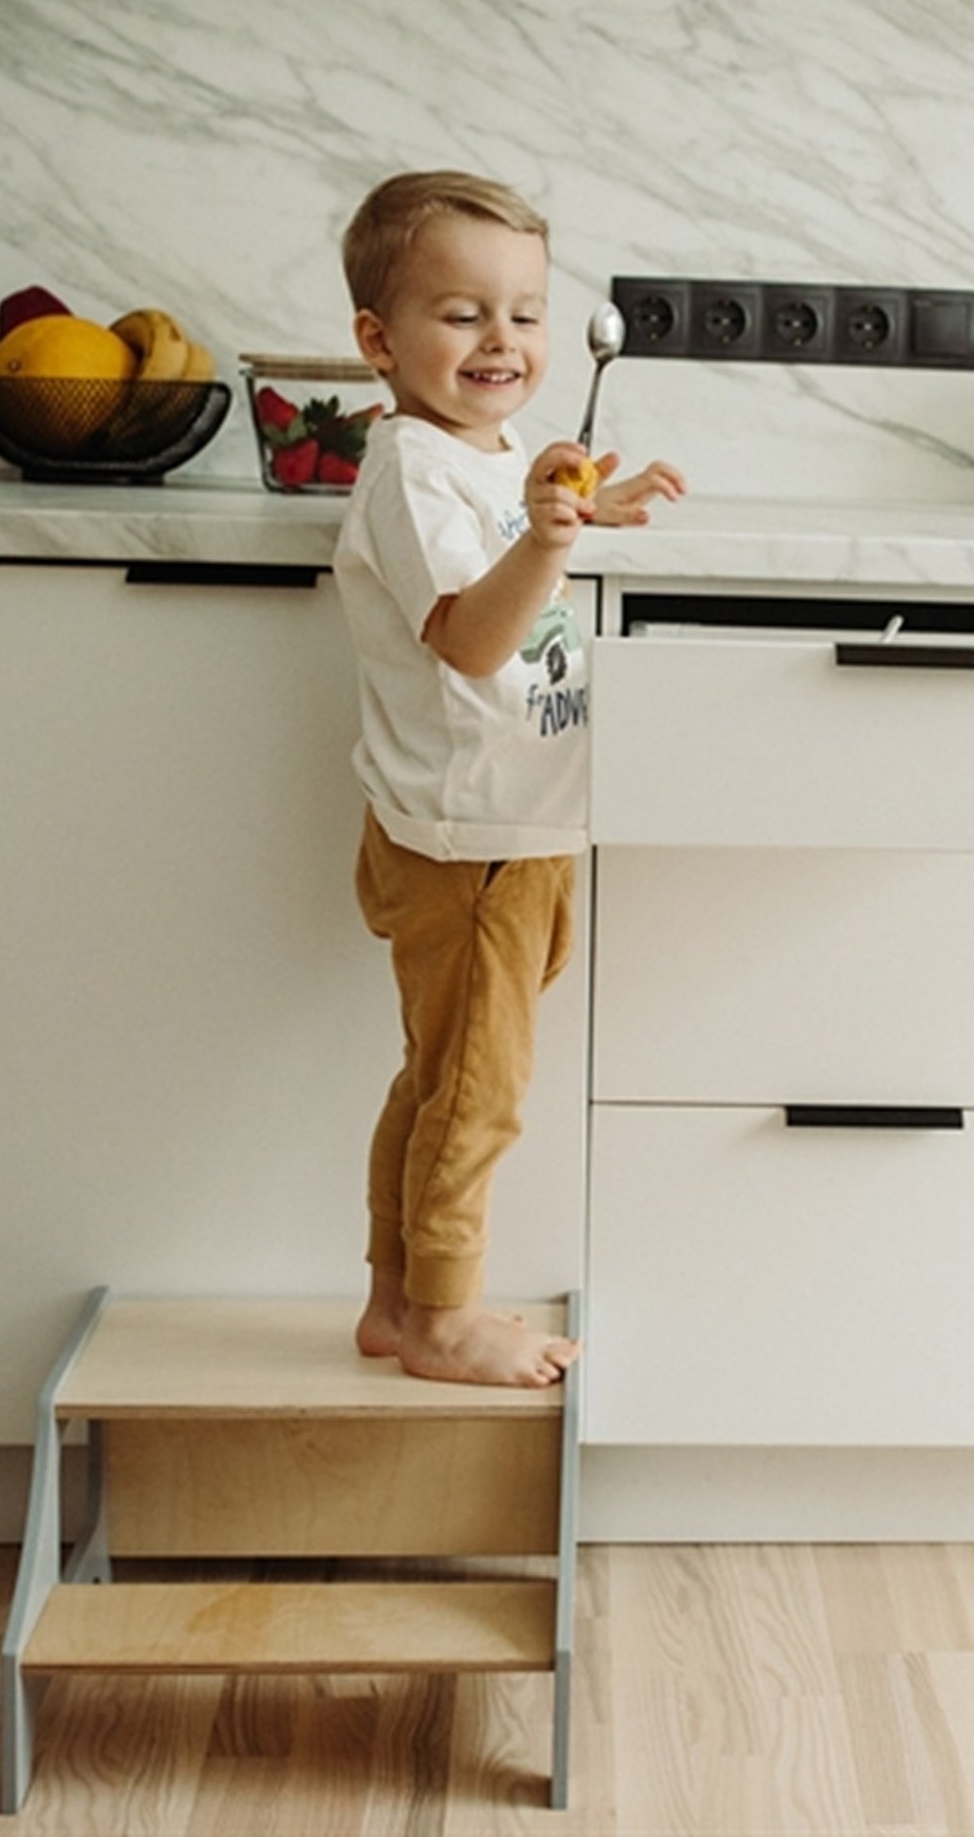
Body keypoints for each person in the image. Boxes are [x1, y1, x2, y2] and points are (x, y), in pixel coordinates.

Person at [331, 170, 685, 1385]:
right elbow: (473, 637)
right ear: (378, 339)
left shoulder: (485, 455)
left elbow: (509, 553)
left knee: (442, 1077)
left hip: (506, 818)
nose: (504, 340)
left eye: (526, 312)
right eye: (463, 312)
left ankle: (395, 1301)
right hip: (475, 832)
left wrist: (587, 510)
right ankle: (440, 1315)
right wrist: (544, 540)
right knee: (477, 1094)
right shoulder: (415, 471)